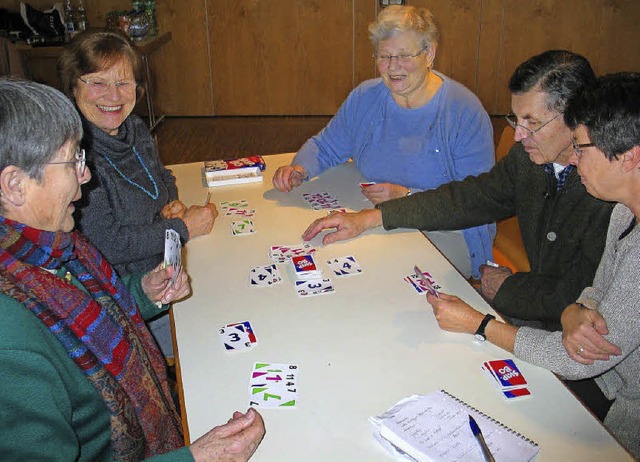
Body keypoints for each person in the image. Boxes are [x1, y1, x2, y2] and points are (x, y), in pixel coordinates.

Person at [0, 78, 265, 461]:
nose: (86, 174)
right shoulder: (11, 344)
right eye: (74, 160)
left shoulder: (45, 245)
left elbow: (89, 309)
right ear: (15, 185)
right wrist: (196, 459)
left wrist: (143, 291)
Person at [302, 50, 614, 332]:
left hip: (572, 340)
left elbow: (585, 297)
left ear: (576, 116)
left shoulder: (609, 188)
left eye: (531, 122)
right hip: (532, 304)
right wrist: (372, 217)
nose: (518, 136)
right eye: (515, 119)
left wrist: (509, 289)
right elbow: (471, 199)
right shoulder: (529, 157)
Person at [426, 72, 640, 458]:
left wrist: (481, 324)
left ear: (628, 157)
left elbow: (577, 360)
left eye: (582, 147)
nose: (573, 159)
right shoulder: (625, 212)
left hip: (621, 418)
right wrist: (580, 308)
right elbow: (597, 290)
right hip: (602, 378)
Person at [272, 5, 495, 279]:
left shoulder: (463, 111)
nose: (392, 67)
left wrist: (407, 195)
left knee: (369, 266)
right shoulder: (367, 96)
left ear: (430, 54)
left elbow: (475, 202)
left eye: (403, 55)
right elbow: (327, 145)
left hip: (446, 231)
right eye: (384, 56)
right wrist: (300, 169)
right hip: (375, 215)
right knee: (333, 253)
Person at [57, 30, 218, 356]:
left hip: (170, 261)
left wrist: (170, 204)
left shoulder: (135, 128)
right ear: (74, 87)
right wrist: (183, 227)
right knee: (212, 345)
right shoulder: (77, 154)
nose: (113, 95)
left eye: (123, 82)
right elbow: (111, 244)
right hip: (132, 297)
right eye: (97, 82)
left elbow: (162, 177)